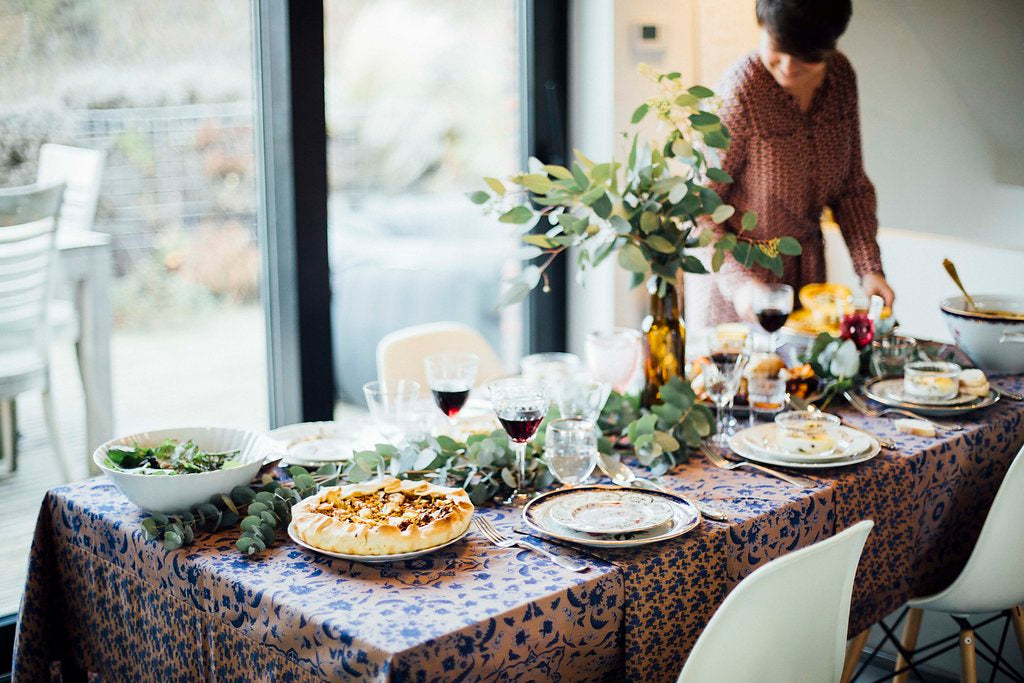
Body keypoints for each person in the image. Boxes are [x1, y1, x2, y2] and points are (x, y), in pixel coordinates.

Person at [688, 0, 895, 334]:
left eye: (806, 57)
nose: (787, 66)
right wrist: (741, 285)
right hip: (735, 300)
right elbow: (699, 207)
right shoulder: (742, 92)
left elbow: (851, 188)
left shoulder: (840, 80)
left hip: (807, 292)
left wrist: (870, 269)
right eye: (778, 49)